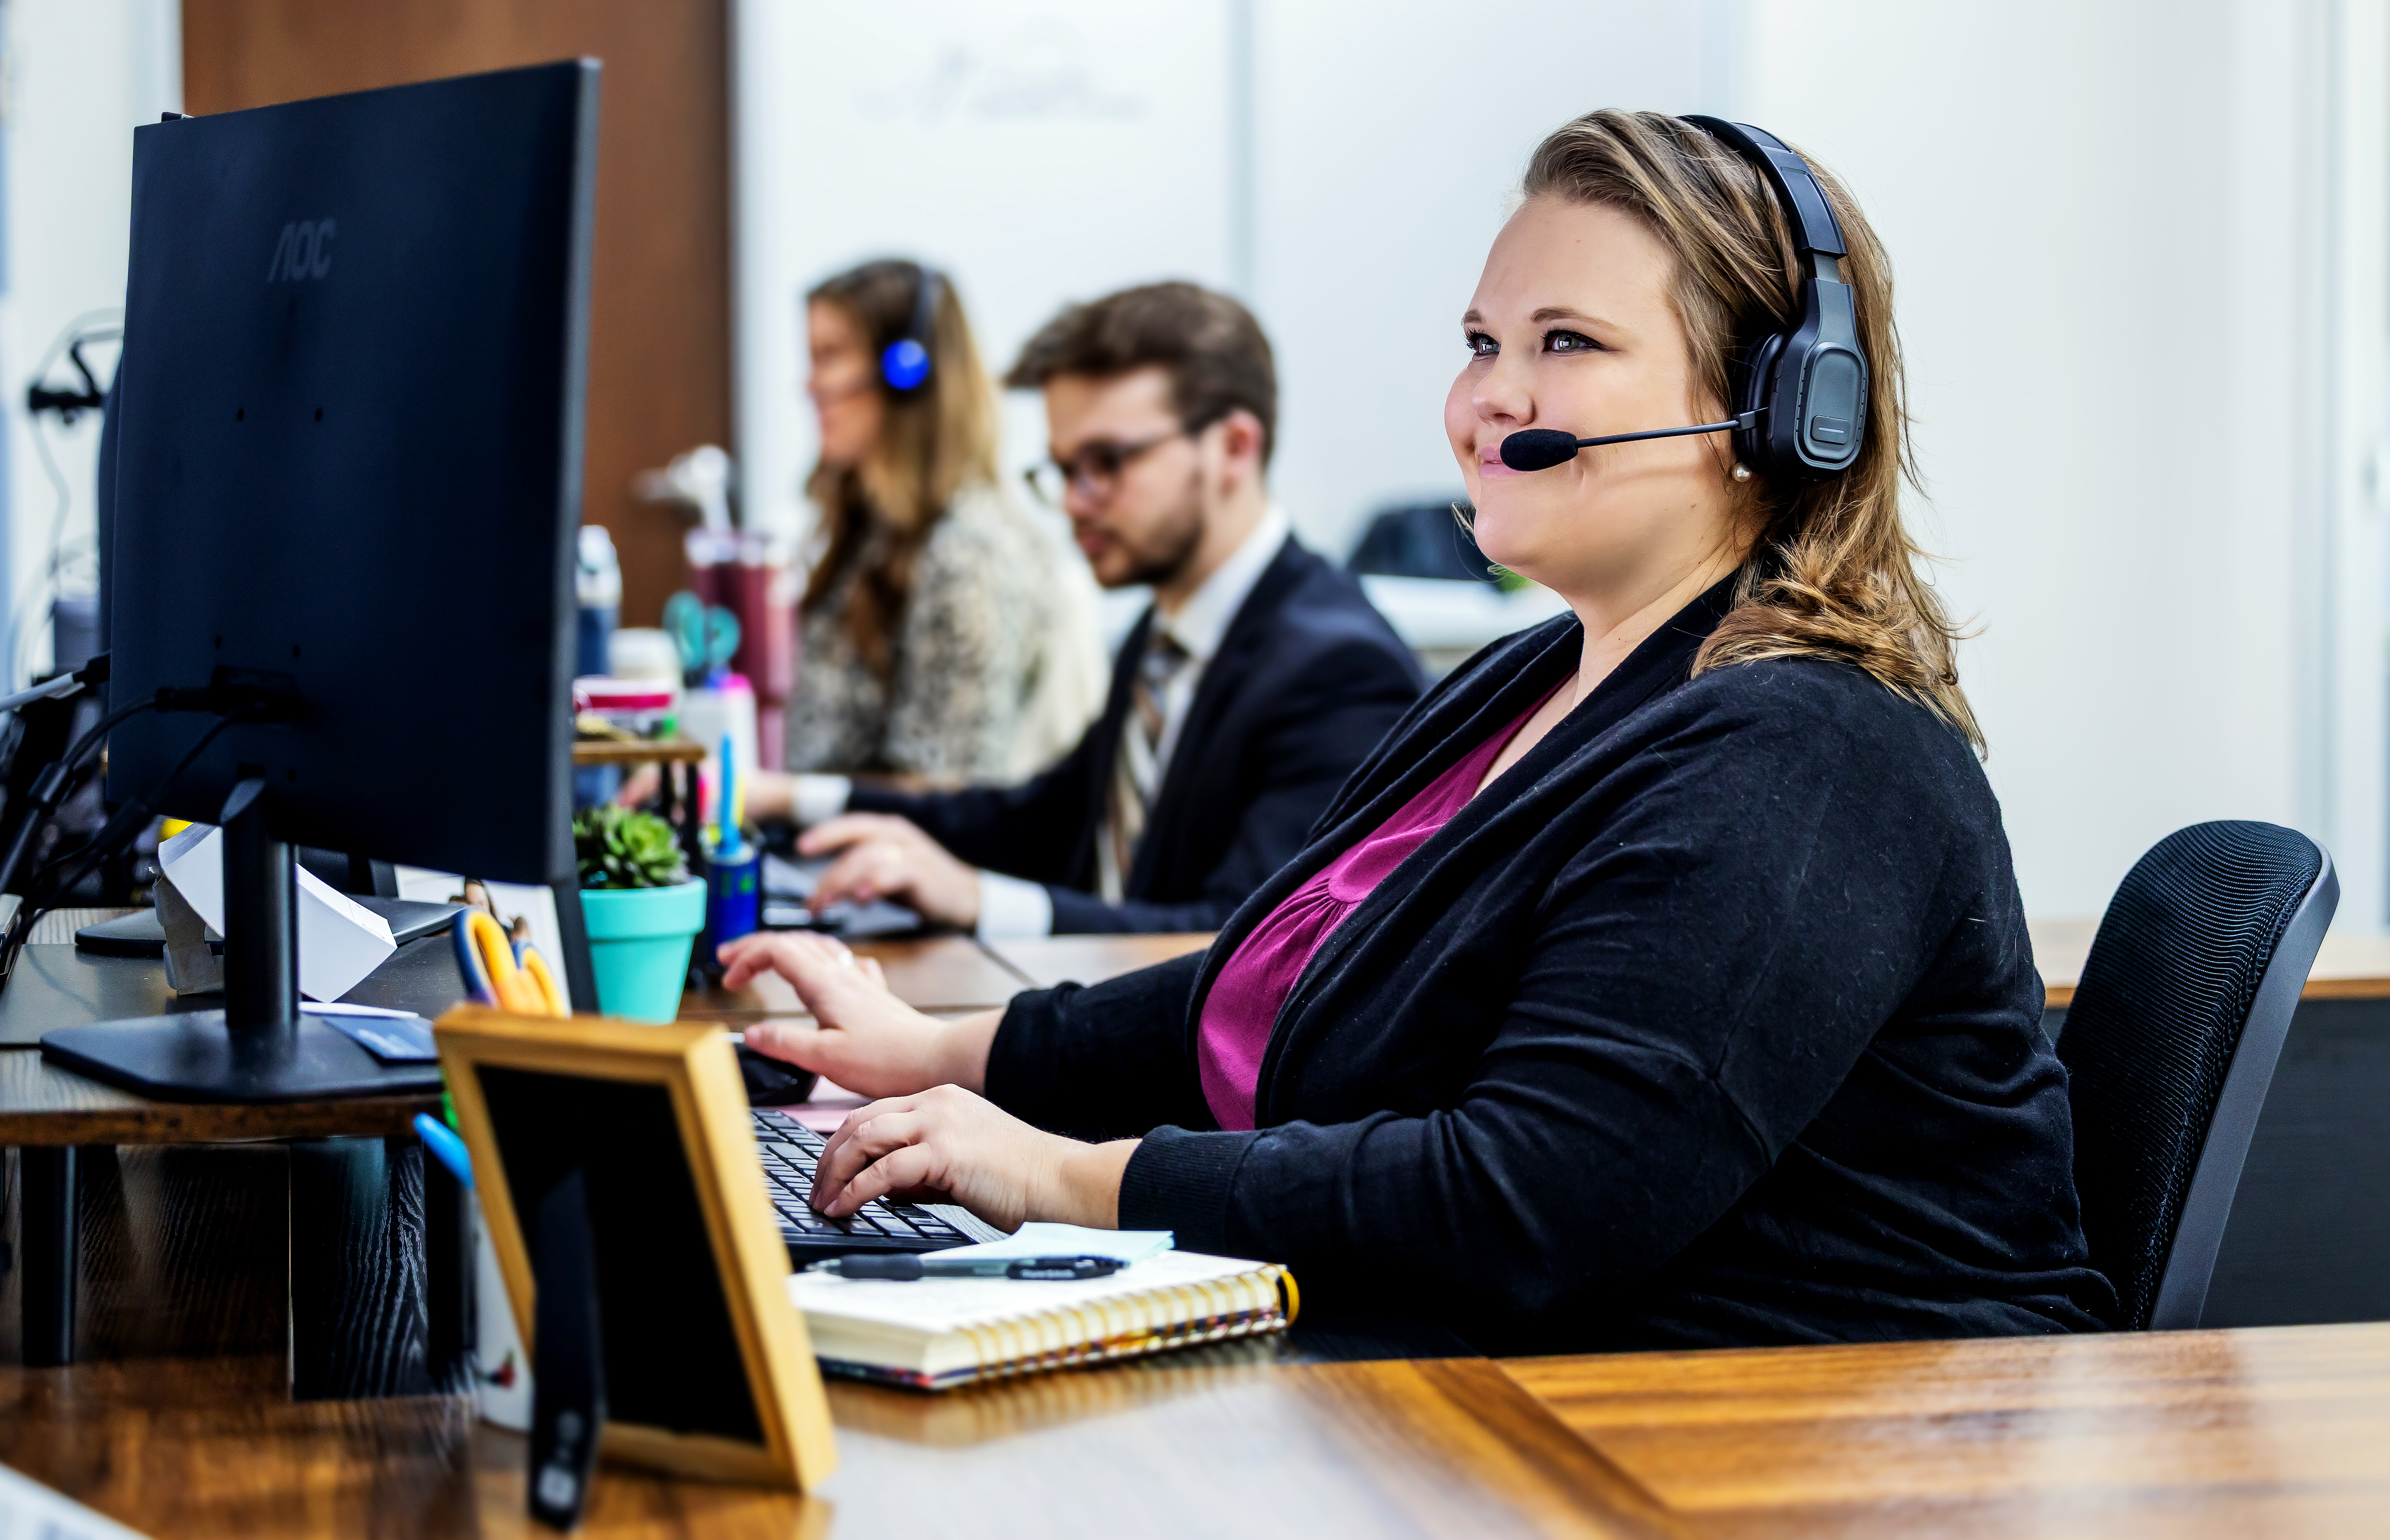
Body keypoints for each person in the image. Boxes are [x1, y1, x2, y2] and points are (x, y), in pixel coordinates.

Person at [720, 112, 2116, 1354]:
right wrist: (939, 1054)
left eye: (1566, 343)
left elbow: (1534, 1200)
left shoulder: (1807, 752)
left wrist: (1061, 1179)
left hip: (1780, 1438)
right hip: (1513, 1370)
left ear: (1779, 407)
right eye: (1480, 345)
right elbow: (1270, 983)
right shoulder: (1527, 687)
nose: (1486, 401)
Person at [745, 282, 1424, 936]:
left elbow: (1244, 946)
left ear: (1234, 449)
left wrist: (979, 902)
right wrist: (794, 800)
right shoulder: (1163, 635)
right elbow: (1040, 817)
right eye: (1065, 470)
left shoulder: (1341, 670)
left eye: (1106, 462)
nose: (1074, 501)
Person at [789, 259, 1102, 785]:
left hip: (894, 856)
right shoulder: (870, 532)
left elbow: (948, 788)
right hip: (833, 847)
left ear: (904, 371)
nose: (810, 385)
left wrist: (786, 799)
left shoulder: (968, 553)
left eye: (831, 357)